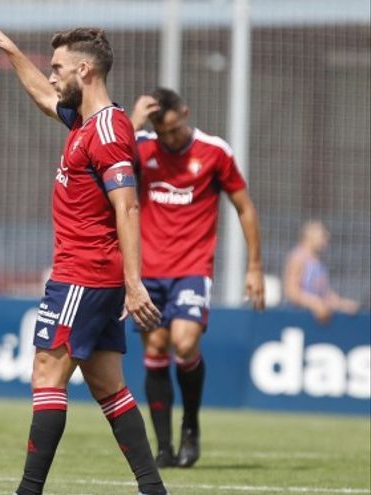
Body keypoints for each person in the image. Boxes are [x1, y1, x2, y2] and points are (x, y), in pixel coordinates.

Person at [0, 10, 167, 495]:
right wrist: (4, 44)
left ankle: (28, 491)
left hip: (84, 274)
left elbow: (128, 207)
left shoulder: (104, 133)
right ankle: (153, 489)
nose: (53, 74)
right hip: (92, 275)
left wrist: (134, 281)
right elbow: (43, 94)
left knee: (47, 373)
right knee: (107, 385)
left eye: (58, 66)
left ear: (85, 71)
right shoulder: (88, 120)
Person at [129, 88, 265, 469]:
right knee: (155, 350)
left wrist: (254, 266)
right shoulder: (140, 147)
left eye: (173, 130)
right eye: (161, 133)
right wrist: (136, 123)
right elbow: (103, 159)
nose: (168, 139)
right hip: (148, 271)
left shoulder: (214, 152)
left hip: (192, 268)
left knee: (184, 344)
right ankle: (164, 446)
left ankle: (191, 425)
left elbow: (244, 206)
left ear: (185, 113)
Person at [283, 220, 360, 324]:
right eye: (323, 234)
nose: (327, 237)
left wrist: (342, 304)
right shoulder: (298, 257)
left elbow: (324, 293)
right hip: (299, 318)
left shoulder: (317, 261)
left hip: (316, 319)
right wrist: (315, 304)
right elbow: (291, 292)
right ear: (309, 236)